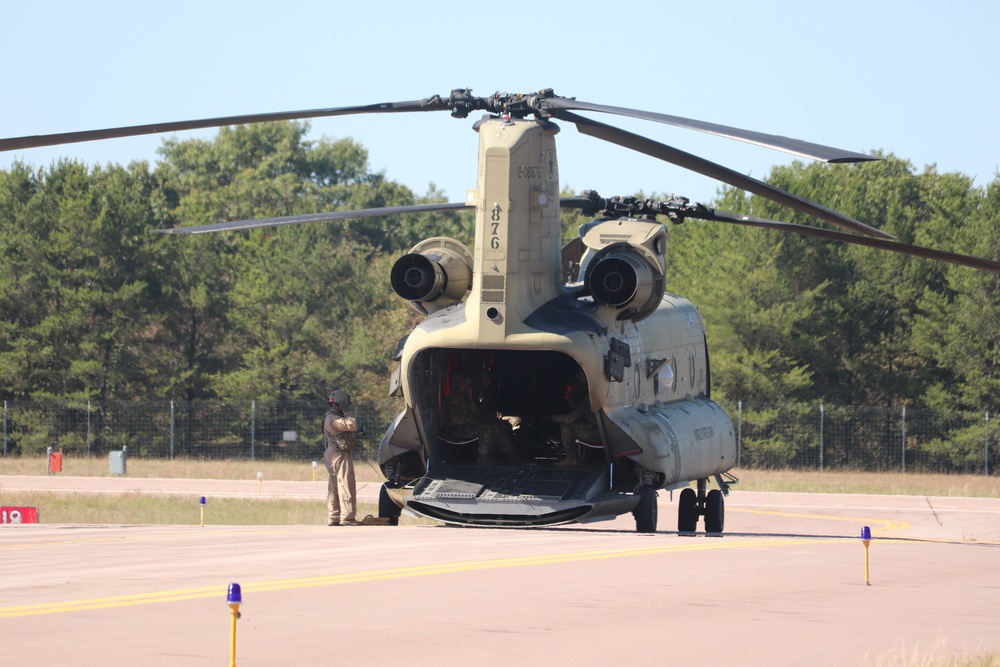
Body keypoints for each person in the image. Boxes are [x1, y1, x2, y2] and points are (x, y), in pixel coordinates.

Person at [323, 389, 364, 526]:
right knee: (346, 483)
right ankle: (347, 517)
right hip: (339, 455)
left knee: (334, 486)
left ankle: (334, 516)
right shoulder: (333, 418)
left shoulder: (332, 416)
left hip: (333, 454)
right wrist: (347, 411)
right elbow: (351, 424)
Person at [550, 374, 600, 466]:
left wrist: (552, 418)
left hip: (596, 432)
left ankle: (571, 459)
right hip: (593, 428)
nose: (578, 384)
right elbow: (576, 409)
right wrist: (570, 397)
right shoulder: (588, 394)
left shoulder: (590, 398)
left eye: (581, 380)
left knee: (566, 426)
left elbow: (572, 417)